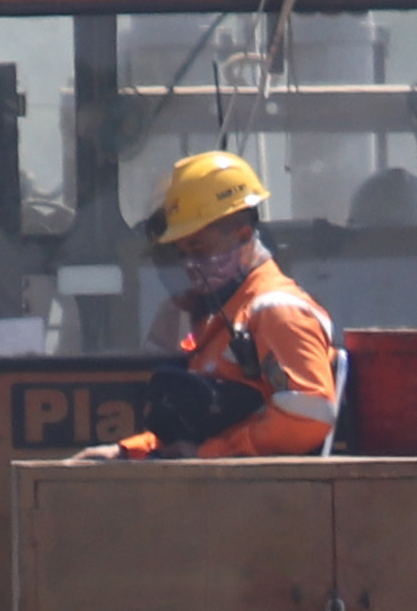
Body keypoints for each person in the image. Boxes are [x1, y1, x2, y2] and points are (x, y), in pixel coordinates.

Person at [79, 151, 343, 461]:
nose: (190, 264)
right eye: (182, 252)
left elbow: (308, 419)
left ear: (243, 236)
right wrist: (127, 452)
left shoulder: (277, 311)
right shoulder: (222, 318)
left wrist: (211, 453)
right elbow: (206, 432)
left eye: (199, 247)